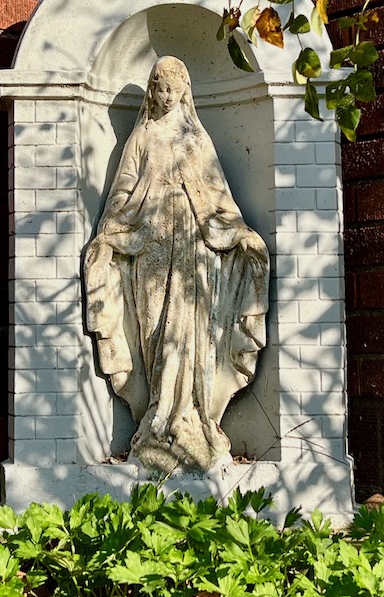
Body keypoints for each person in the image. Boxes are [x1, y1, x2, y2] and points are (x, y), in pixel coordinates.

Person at [84, 56, 269, 473]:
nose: (165, 96)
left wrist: (238, 232)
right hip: (150, 245)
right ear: (152, 91)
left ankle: (193, 422)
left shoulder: (196, 140)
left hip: (194, 247)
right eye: (159, 88)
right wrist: (110, 232)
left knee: (191, 333)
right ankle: (157, 419)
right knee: (154, 330)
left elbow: (218, 195)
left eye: (172, 88)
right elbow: (122, 189)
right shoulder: (143, 139)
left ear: (184, 91)